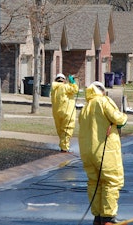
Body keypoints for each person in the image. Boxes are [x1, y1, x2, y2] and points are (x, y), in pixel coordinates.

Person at [78, 81, 128, 225]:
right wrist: (124, 117)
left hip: (88, 152)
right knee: (111, 181)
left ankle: (98, 216)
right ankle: (108, 217)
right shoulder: (104, 101)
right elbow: (119, 119)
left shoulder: (85, 108)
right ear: (102, 91)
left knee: (94, 182)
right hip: (105, 150)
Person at [50, 73, 79, 153]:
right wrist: (72, 82)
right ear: (64, 80)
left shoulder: (53, 89)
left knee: (60, 130)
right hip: (67, 112)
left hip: (57, 113)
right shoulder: (65, 86)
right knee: (67, 130)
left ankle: (63, 146)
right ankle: (64, 149)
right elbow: (75, 90)